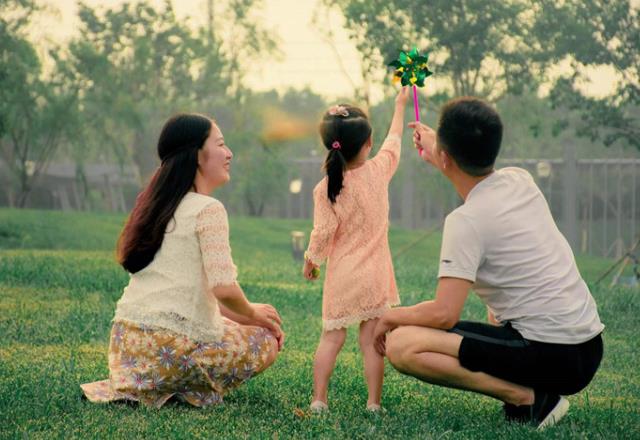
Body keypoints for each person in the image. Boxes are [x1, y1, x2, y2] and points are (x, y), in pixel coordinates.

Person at [374, 97, 604, 430]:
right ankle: (533, 391)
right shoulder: (519, 180)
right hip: (587, 347)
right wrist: (440, 150)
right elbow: (468, 171)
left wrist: (389, 316)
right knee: (494, 310)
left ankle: (528, 398)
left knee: (402, 344)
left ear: (446, 156)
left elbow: (444, 313)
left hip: (551, 354)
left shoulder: (465, 222)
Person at [81, 113, 284, 408]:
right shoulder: (208, 209)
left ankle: (155, 385)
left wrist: (247, 316)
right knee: (264, 340)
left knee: (235, 325)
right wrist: (254, 315)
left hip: (127, 349)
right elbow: (224, 289)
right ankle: (189, 387)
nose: (229, 154)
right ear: (199, 155)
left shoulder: (157, 205)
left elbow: (203, 303)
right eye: (221, 144)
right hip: (170, 351)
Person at [302, 87, 409, 412]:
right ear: (368, 143)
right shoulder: (379, 171)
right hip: (374, 275)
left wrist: (312, 260)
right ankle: (373, 403)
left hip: (343, 277)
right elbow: (395, 139)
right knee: (371, 343)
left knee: (331, 339)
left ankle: (319, 399)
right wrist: (400, 104)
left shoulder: (325, 188)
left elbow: (323, 231)